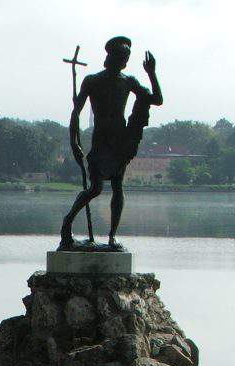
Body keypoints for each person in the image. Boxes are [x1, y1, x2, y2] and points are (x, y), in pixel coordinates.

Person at [59, 36, 163, 251]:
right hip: (101, 141)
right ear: (111, 57)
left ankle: (112, 237)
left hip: (120, 142)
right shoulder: (92, 81)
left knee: (118, 187)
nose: (124, 62)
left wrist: (152, 73)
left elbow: (157, 99)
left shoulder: (128, 81)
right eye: (121, 57)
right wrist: (74, 143)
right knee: (95, 188)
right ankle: (66, 225)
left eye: (126, 58)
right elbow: (76, 113)